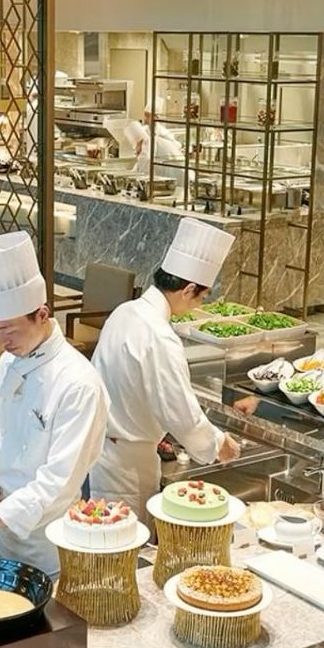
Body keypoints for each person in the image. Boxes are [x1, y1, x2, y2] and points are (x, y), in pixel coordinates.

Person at [0, 231, 107, 576]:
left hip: (53, 545)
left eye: (10, 330)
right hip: (5, 531)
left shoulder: (78, 383)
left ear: (42, 314)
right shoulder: (9, 361)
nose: (1, 341)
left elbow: (57, 483)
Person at [88, 216, 241, 517]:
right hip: (128, 463)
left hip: (103, 450)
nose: (199, 305)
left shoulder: (125, 311)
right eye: (202, 297)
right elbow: (179, 410)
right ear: (188, 290)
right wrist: (218, 443)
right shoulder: (159, 335)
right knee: (127, 539)